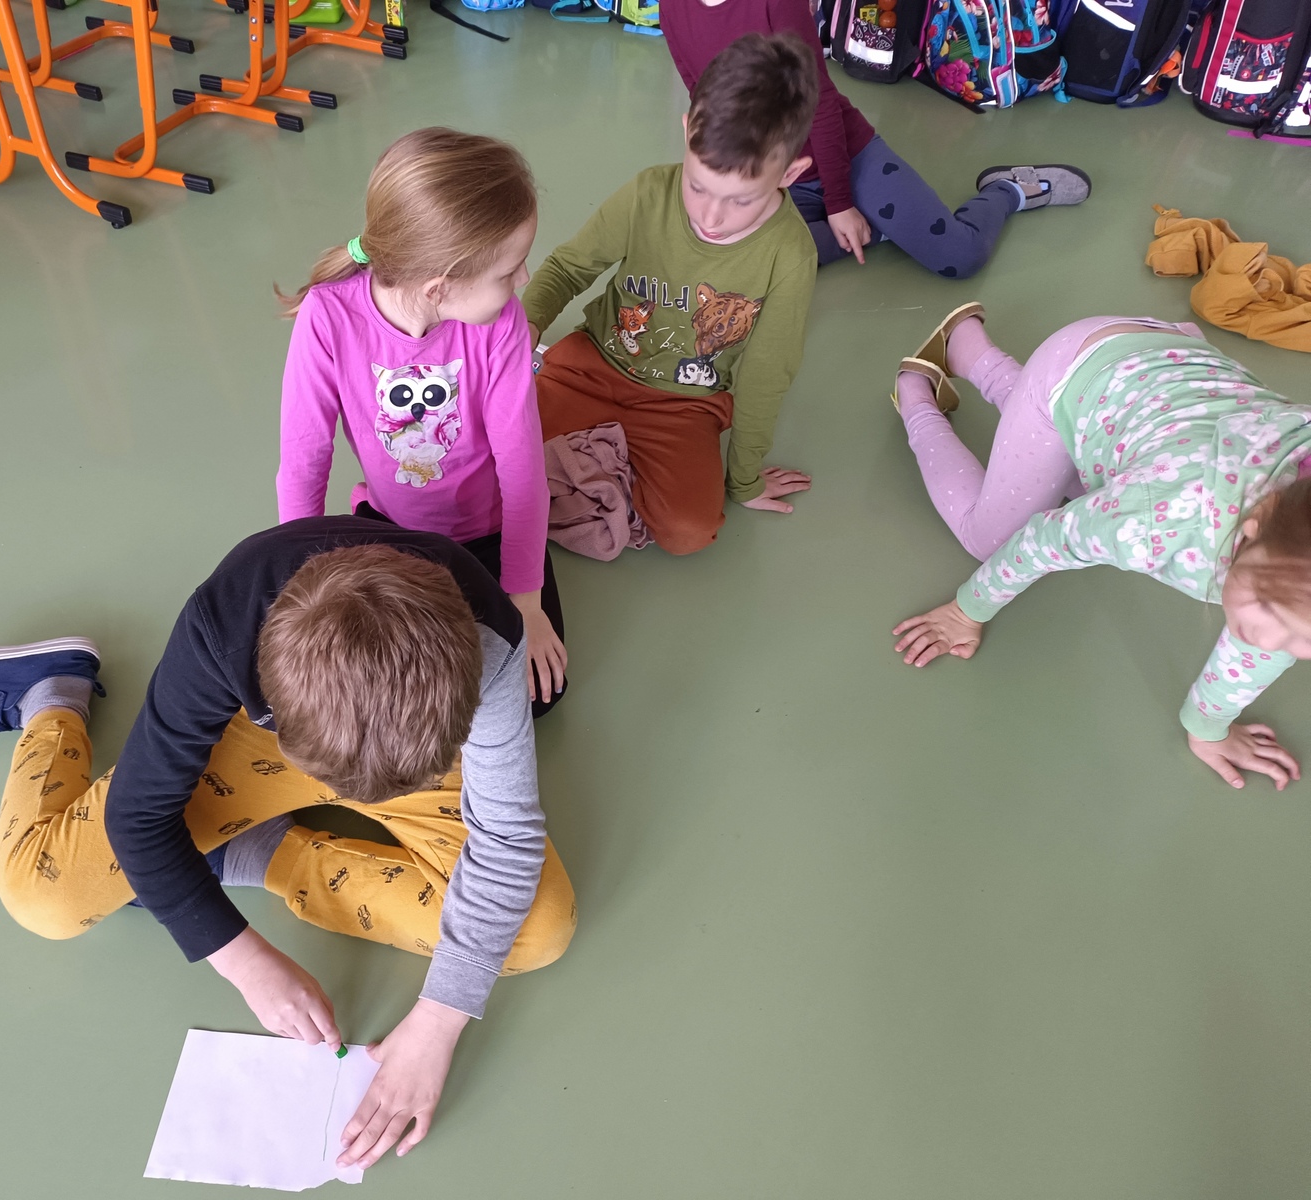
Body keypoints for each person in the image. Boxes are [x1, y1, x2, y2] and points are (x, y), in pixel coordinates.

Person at [0, 518, 577, 1167]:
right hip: (270, 739)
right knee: (43, 897)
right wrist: (242, 959)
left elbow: (506, 835)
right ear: (270, 697)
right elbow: (139, 816)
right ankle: (48, 695)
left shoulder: (487, 643)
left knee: (537, 931)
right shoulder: (223, 626)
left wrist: (437, 1023)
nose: (360, 805)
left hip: (405, 736)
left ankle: (246, 851)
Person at [889, 306, 1311, 789]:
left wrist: (1207, 730)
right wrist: (966, 612)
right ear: (1252, 527)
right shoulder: (1154, 520)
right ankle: (915, 393)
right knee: (990, 539)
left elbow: (1273, 630)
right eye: (1268, 608)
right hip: (1078, 368)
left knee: (1068, 474)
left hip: (1166, 367)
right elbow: (1042, 541)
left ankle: (965, 344)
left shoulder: (1289, 546)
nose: (1272, 643)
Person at [277, 128, 567, 714]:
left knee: (531, 696)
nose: (524, 280)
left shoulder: (502, 323)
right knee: (371, 687)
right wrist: (299, 582)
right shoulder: (327, 315)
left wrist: (527, 603)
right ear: (440, 287)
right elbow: (305, 461)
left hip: (489, 535)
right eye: (510, 270)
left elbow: (523, 473)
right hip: (389, 532)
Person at [522, 32, 820, 555]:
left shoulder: (790, 255)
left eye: (741, 200)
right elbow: (570, 267)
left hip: (685, 405)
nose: (711, 217)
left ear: (790, 174)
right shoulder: (647, 193)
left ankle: (592, 464)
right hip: (590, 366)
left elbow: (766, 376)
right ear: (686, 133)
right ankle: (595, 464)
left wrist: (744, 479)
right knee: (486, 458)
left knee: (689, 533)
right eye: (698, 185)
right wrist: (524, 326)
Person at [657, 0, 1092, 278]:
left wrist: (839, 202)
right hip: (769, 178)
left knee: (960, 257)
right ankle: (880, 230)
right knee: (736, 258)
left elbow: (820, 103)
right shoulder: (672, 7)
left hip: (843, 156)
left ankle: (1008, 190)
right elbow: (701, 96)